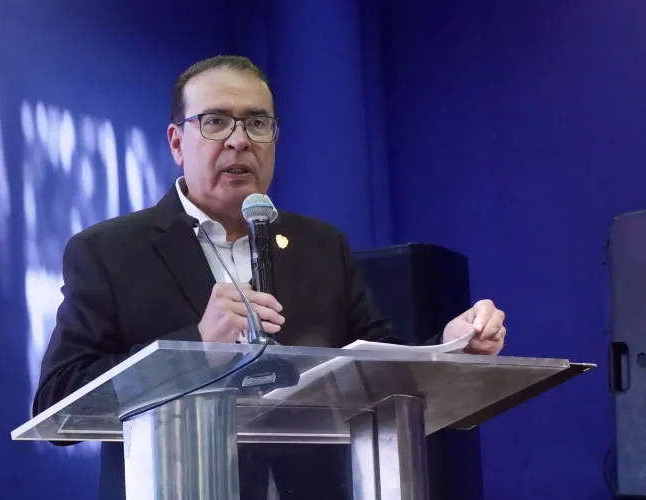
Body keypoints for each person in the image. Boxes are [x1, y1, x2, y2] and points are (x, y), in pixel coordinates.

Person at [33, 55, 507, 499]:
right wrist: (195, 347)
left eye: (257, 123)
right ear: (177, 143)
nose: (239, 140)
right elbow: (61, 396)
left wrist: (448, 346)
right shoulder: (109, 251)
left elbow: (376, 365)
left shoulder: (321, 245)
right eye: (215, 121)